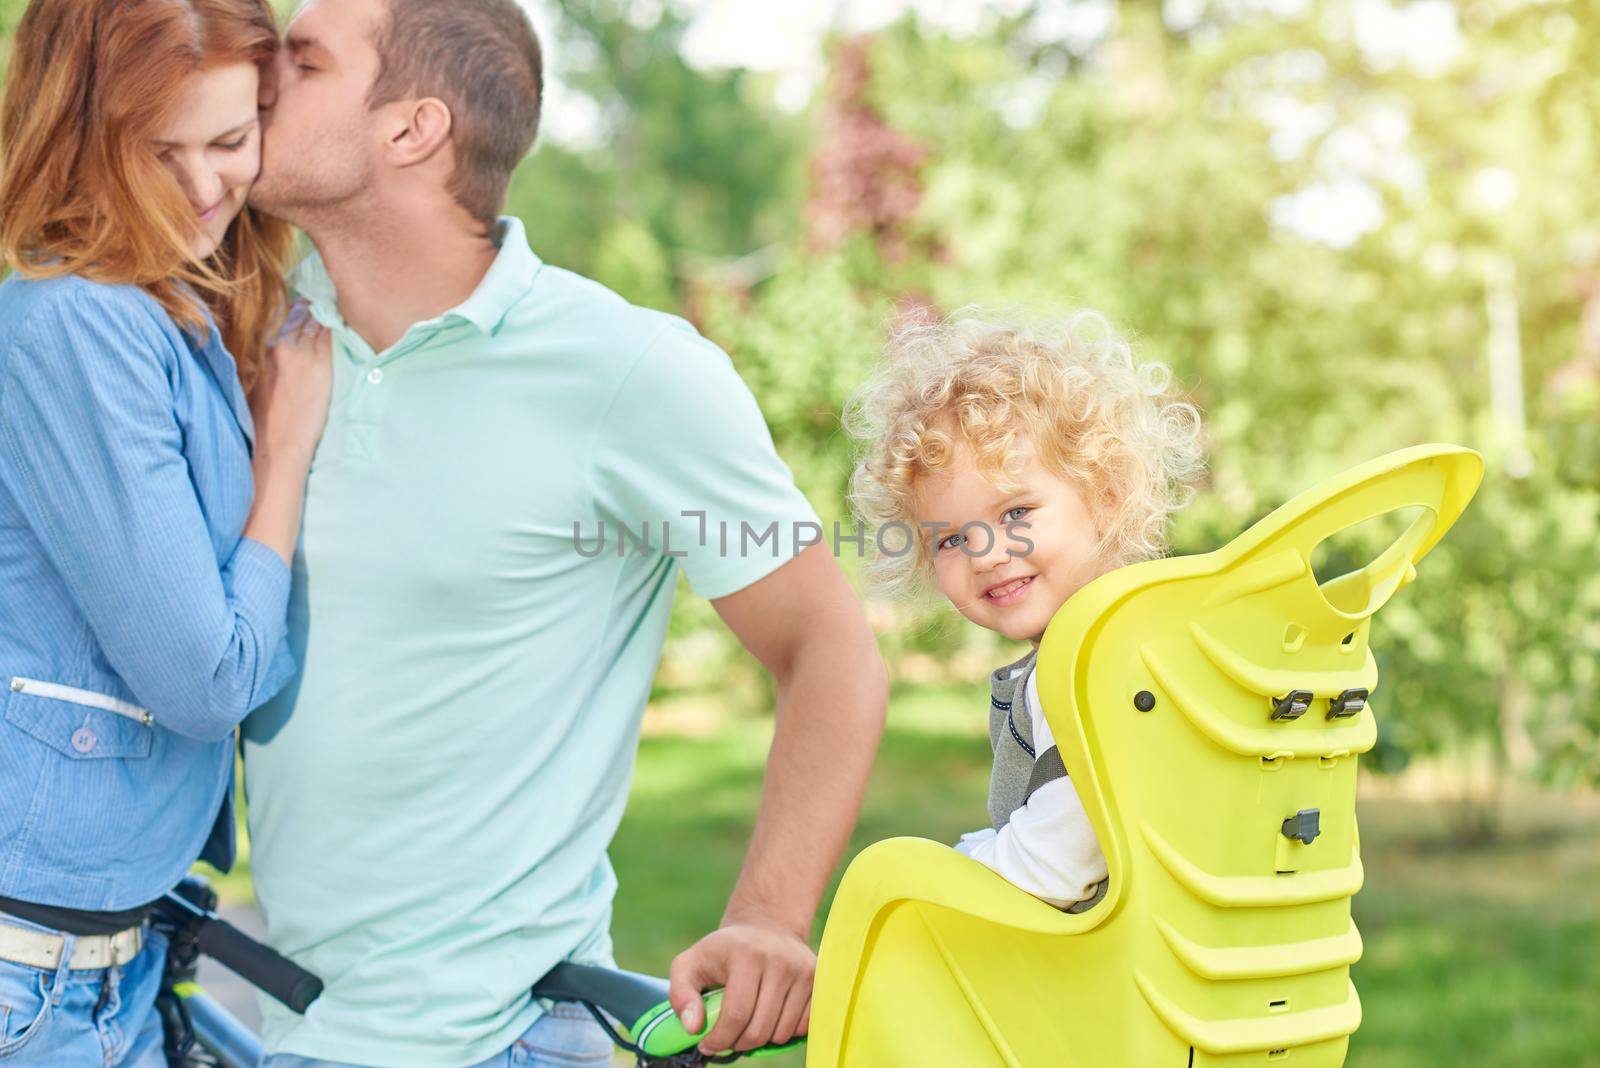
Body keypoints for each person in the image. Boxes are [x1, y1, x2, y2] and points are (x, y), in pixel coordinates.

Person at [237, 1, 889, 1066]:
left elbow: (829, 647)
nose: (261, 81)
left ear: (413, 128)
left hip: (502, 1040)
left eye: (302, 61)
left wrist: (769, 916)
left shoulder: (628, 373)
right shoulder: (257, 340)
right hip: (296, 1031)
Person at [0, 0, 331, 1063]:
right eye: (158, 152)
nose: (202, 190)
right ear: (80, 142)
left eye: (232, 142)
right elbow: (205, 679)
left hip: (108, 969)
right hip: (28, 985)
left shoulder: (176, 309)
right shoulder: (74, 322)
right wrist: (283, 456)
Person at [846, 310, 1205, 909]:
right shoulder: (1146, 631)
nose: (985, 556)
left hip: (1128, 986)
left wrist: (930, 885)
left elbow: (1053, 868)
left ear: (1107, 493)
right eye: (951, 539)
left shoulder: (1094, 665)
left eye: (1015, 514)